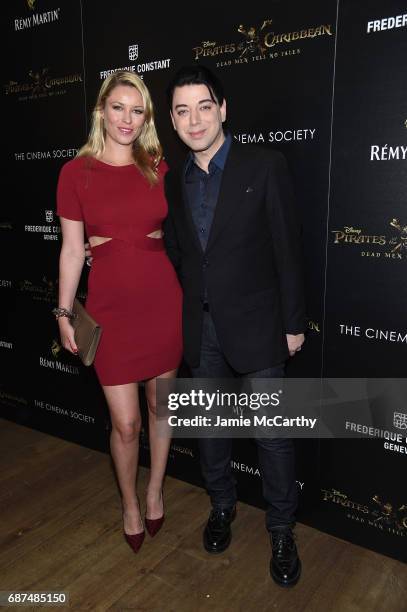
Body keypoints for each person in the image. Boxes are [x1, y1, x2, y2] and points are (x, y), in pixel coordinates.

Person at [163, 65, 305, 587]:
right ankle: (221, 505)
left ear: (223, 109)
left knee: (272, 437)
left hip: (261, 327)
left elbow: (288, 248)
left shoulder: (265, 165)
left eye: (204, 106)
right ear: (174, 121)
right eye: (182, 110)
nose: (194, 119)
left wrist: (293, 322)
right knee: (211, 431)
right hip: (202, 333)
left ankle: (282, 529)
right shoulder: (174, 180)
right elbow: (180, 253)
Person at [55, 71, 183, 553]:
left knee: (160, 407)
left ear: (146, 117)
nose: (127, 119)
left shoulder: (159, 168)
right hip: (110, 307)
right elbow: (71, 250)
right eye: (118, 108)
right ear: (101, 111)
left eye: (137, 110)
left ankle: (155, 491)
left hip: (161, 299)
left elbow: (181, 235)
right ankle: (129, 500)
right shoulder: (75, 172)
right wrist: (64, 312)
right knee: (126, 424)